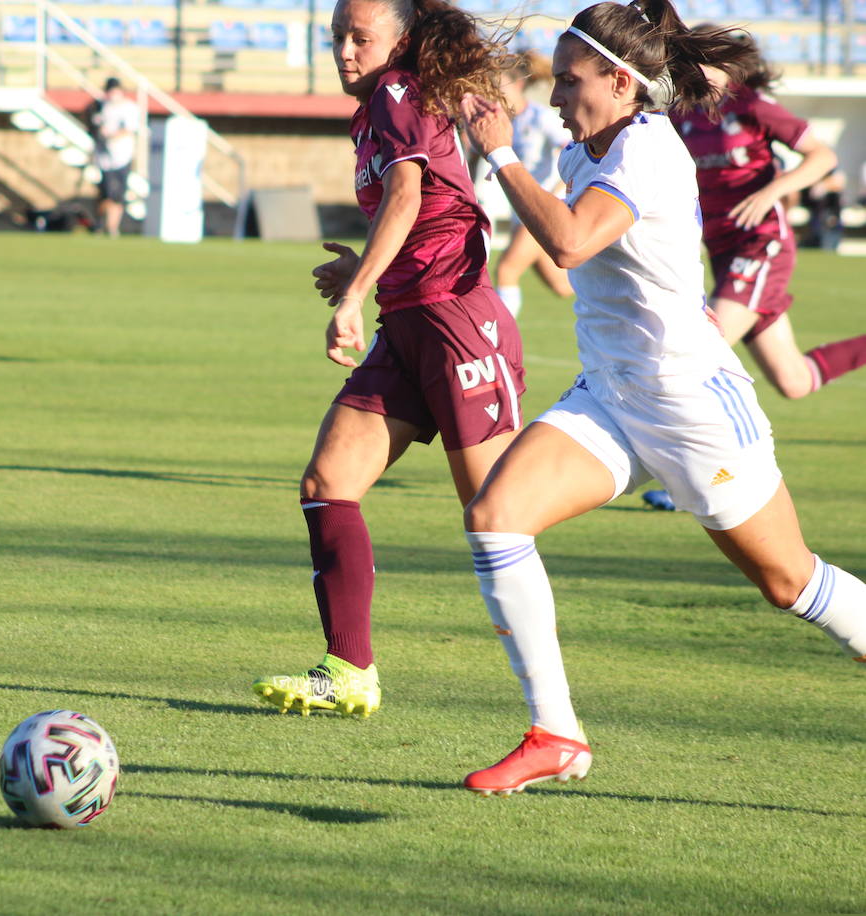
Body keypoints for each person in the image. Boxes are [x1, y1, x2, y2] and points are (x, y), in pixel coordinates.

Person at [455, 0, 866, 796]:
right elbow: (565, 247)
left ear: (618, 81)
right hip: (610, 396)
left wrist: (502, 158)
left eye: (569, 82)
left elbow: (571, 241)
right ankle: (556, 734)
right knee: (495, 519)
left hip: (694, 407)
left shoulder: (644, 151)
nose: (554, 98)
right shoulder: (589, 151)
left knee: (790, 584)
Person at [251, 0, 522, 718]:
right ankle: (349, 669)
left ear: (400, 40)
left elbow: (407, 191)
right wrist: (363, 274)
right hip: (406, 324)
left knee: (500, 518)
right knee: (327, 482)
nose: (343, 49)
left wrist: (355, 294)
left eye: (358, 37)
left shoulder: (399, 91)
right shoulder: (373, 108)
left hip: (457, 320)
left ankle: (550, 712)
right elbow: (411, 205)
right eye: (336, 36)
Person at [641, 29, 865, 511]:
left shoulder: (752, 105)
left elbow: (821, 156)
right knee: (794, 380)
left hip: (761, 245)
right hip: (723, 254)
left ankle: (700, 478)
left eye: (699, 63)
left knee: (699, 348)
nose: (691, 73)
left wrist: (771, 192)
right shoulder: (681, 115)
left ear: (725, 65)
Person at [492, 49, 573, 318]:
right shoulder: (509, 123)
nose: (493, 92)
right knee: (562, 285)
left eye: (497, 85)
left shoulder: (540, 117)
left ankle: (500, 344)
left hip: (542, 208)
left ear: (517, 84)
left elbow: (571, 149)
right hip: (523, 211)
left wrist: (554, 192)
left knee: (506, 270)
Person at [89, 77, 140, 238]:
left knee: (118, 195)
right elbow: (93, 126)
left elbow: (130, 129)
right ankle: (100, 224)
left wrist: (112, 135)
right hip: (104, 158)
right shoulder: (101, 107)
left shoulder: (129, 108)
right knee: (105, 194)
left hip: (121, 156)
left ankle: (112, 228)